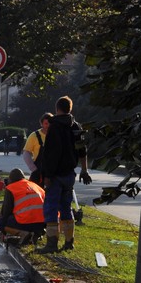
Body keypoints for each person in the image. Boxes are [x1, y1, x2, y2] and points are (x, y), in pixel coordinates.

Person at [36, 96, 91, 253]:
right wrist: (85, 170)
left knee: (51, 208)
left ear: (56, 109)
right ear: (70, 109)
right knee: (66, 208)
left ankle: (51, 244)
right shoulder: (76, 126)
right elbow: (82, 150)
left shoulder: (54, 127)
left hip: (55, 176)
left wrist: (47, 175)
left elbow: (51, 154)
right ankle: (69, 242)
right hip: (69, 175)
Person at [0, 168, 45, 244]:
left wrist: (3, 230)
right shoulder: (36, 186)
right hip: (42, 224)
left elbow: (6, 211)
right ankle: (36, 234)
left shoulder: (11, 188)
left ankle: (23, 233)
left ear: (10, 180)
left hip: (25, 223)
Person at [22, 113, 53, 184]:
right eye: (46, 123)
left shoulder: (56, 135)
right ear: (41, 124)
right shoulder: (34, 136)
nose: (48, 126)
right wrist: (33, 169)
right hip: (39, 173)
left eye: (50, 123)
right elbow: (26, 153)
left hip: (53, 173)